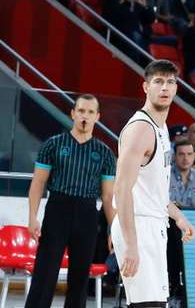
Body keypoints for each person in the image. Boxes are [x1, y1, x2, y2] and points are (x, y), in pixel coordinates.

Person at [111, 60, 195, 307]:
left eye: (170, 82)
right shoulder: (141, 129)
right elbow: (121, 189)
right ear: (146, 87)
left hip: (153, 223)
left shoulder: (161, 126)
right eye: (158, 81)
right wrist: (131, 245)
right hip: (138, 226)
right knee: (148, 305)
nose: (165, 87)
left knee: (156, 303)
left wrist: (178, 217)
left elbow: (152, 188)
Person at [24, 95, 116, 308]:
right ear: (73, 113)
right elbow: (37, 184)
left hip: (87, 214)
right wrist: (32, 218)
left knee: (80, 277)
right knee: (45, 274)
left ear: (97, 117)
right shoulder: (52, 145)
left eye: (90, 112)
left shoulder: (105, 153)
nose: (85, 116)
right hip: (57, 210)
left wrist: (114, 229)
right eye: (81, 111)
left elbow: (108, 196)